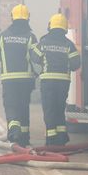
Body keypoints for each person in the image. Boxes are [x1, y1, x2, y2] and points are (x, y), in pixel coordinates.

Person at [30, 13, 80, 146]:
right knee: (59, 108)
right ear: (64, 28)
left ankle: (51, 139)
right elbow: (76, 64)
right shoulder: (69, 45)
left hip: (47, 82)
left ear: (50, 26)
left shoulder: (44, 42)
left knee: (49, 109)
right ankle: (61, 137)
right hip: (63, 82)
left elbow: (34, 57)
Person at [0, 4, 38, 146]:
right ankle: (24, 138)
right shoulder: (31, 37)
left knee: (11, 106)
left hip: (9, 79)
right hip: (26, 80)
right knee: (23, 106)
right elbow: (36, 59)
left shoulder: (2, 36)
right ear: (27, 18)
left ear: (12, 17)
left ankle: (14, 131)